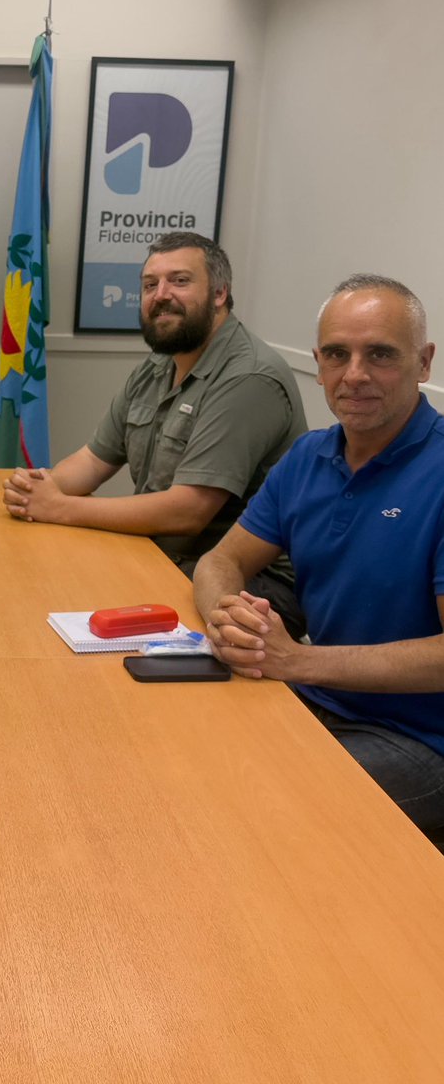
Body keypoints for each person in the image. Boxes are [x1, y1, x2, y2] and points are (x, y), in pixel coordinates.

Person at [194, 275, 444, 840]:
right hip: (317, 702)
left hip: (419, 741)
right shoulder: (309, 456)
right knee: (182, 754)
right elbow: (219, 563)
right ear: (317, 363)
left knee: (262, 811)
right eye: (337, 354)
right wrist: (227, 619)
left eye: (379, 354)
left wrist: (295, 662)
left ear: (424, 362)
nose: (354, 375)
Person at [2, 231, 307, 627]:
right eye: (150, 285)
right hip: (165, 556)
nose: (160, 294)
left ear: (219, 294)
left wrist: (60, 507)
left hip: (248, 585)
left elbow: (188, 511)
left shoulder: (248, 376)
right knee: (38, 585)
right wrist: (38, 489)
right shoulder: (159, 365)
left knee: (71, 609)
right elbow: (93, 460)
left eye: (179, 281)